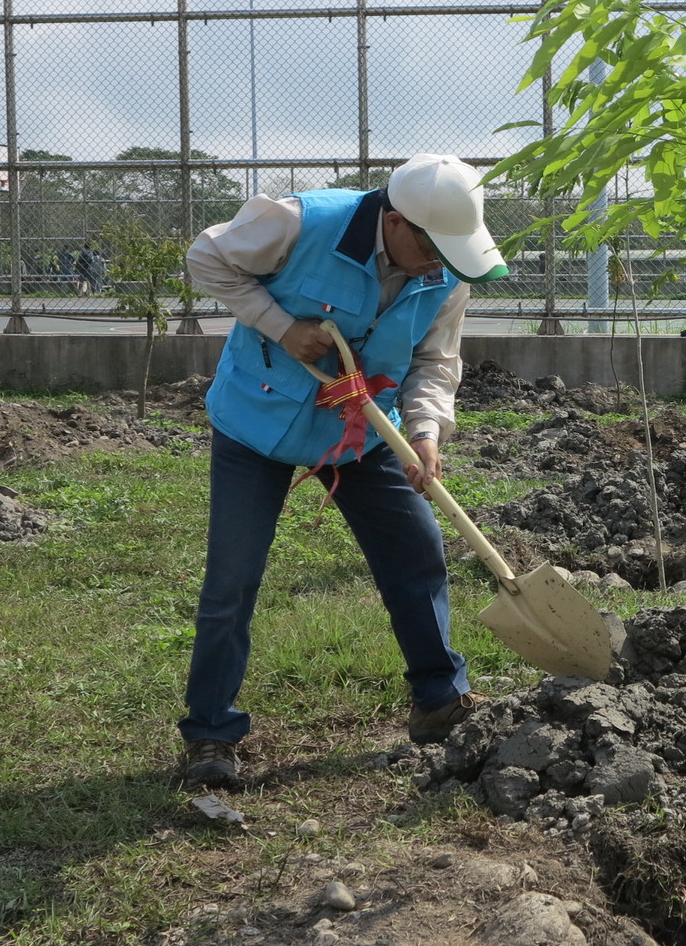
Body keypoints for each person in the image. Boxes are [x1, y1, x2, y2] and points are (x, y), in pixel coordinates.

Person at [175, 153, 511, 789]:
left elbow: (436, 360)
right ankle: (210, 735)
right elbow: (206, 256)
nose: (441, 267)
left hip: (361, 432)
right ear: (398, 224)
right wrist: (279, 325)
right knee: (233, 579)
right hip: (256, 423)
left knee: (417, 550)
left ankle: (438, 699)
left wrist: (426, 430)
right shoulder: (302, 223)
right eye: (434, 251)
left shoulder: (448, 270)